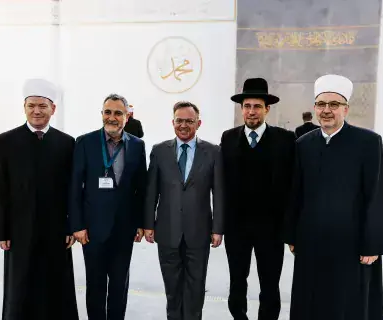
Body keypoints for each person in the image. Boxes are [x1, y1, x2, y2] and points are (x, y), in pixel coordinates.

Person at [283, 74, 383, 320]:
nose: (327, 110)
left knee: (349, 305)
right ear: (315, 108)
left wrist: (373, 243)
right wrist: (292, 235)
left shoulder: (368, 142)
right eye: (321, 104)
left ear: (346, 109)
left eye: (334, 105)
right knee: (311, 302)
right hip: (312, 243)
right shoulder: (303, 144)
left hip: (353, 245)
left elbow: (377, 194)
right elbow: (296, 192)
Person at [0, 78, 79, 320]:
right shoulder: (6, 141)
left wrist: (72, 225)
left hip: (56, 229)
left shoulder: (66, 143)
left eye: (42, 106)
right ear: (24, 108)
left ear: (53, 109)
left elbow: (72, 189)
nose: (36, 111)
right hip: (19, 230)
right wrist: (0, 231)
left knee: (55, 284)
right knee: (20, 285)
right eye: (31, 105)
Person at [220, 78, 296, 320]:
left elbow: (293, 186)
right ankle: (239, 316)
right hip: (237, 228)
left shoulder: (285, 139)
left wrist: (290, 228)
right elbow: (222, 183)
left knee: (270, 284)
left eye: (256, 106)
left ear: (267, 109)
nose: (251, 111)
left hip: (271, 229)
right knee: (237, 281)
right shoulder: (228, 138)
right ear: (242, 109)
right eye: (247, 106)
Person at [69, 93, 147, 320]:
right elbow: (75, 186)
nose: (112, 117)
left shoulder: (137, 145)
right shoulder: (85, 142)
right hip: (92, 229)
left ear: (127, 116)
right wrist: (77, 224)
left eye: (118, 113)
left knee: (120, 285)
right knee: (95, 284)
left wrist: (141, 223)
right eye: (107, 112)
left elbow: (141, 187)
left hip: (124, 228)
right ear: (102, 114)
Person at [144, 101, 225, 320]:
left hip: (199, 232)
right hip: (167, 231)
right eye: (179, 120)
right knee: (172, 289)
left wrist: (218, 228)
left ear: (198, 123)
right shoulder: (159, 151)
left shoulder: (213, 152)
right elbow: (151, 190)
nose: (184, 125)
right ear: (172, 122)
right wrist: (148, 224)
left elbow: (218, 192)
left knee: (195, 288)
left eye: (189, 121)